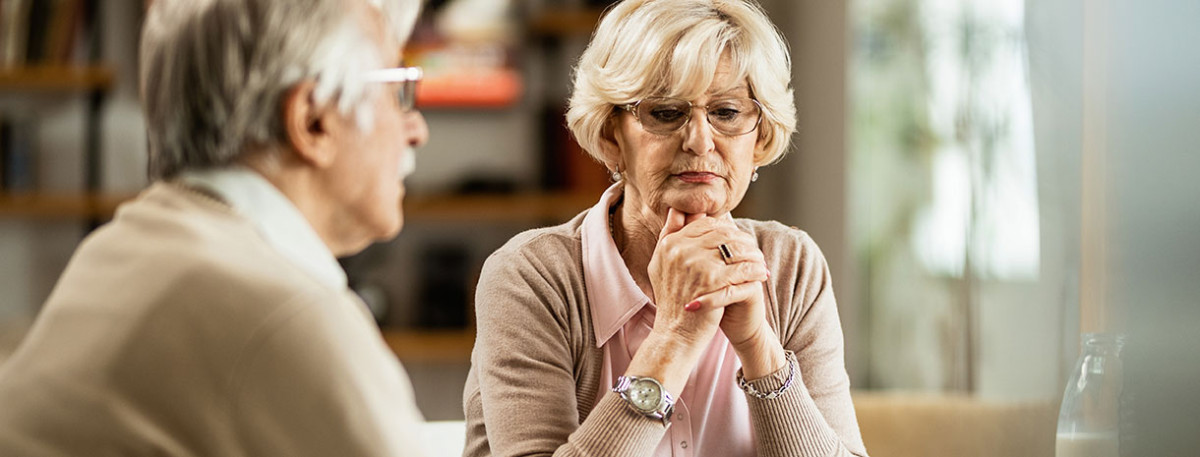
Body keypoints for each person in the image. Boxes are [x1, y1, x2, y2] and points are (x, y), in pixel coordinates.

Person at [0, 0, 430, 455]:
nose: (416, 130)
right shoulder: (287, 314)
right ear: (312, 121)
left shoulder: (121, 248)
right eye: (397, 90)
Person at [463, 0, 869, 456]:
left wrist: (761, 349)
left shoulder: (791, 267)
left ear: (760, 136)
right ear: (611, 136)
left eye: (727, 112)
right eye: (666, 112)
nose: (700, 140)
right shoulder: (529, 278)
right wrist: (673, 338)